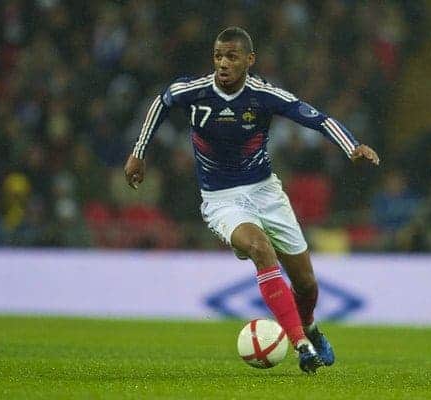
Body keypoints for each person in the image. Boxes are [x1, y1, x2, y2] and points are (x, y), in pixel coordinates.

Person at [124, 27, 379, 373]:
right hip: (221, 198)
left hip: (266, 192)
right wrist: (138, 153)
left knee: (305, 284)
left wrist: (352, 147)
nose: (223, 63)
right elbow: (160, 102)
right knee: (259, 248)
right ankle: (300, 345)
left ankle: (310, 327)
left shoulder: (263, 95)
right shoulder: (194, 91)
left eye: (231, 56)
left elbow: (315, 117)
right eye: (218, 56)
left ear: (249, 60)